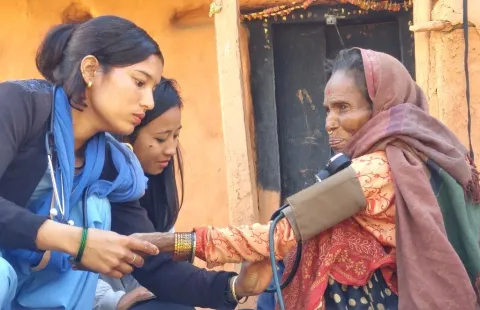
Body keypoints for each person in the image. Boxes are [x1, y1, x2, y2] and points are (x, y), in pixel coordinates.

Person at [139, 48, 480, 310]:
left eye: (344, 108)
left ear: (382, 108)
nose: (329, 123)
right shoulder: (413, 155)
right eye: (327, 110)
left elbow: (279, 234)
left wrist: (173, 242)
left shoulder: (374, 171)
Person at [0, 16, 263, 310]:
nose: (149, 102)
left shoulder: (112, 166)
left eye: (152, 88)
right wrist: (76, 240)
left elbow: (151, 264)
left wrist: (235, 286)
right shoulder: (19, 106)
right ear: (91, 70)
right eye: (139, 82)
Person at [95, 78, 188, 310]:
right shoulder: (94, 189)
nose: (171, 149)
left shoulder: (158, 188)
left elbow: (162, 267)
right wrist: (115, 301)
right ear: (126, 136)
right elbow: (67, 268)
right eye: (160, 138)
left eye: (176, 136)